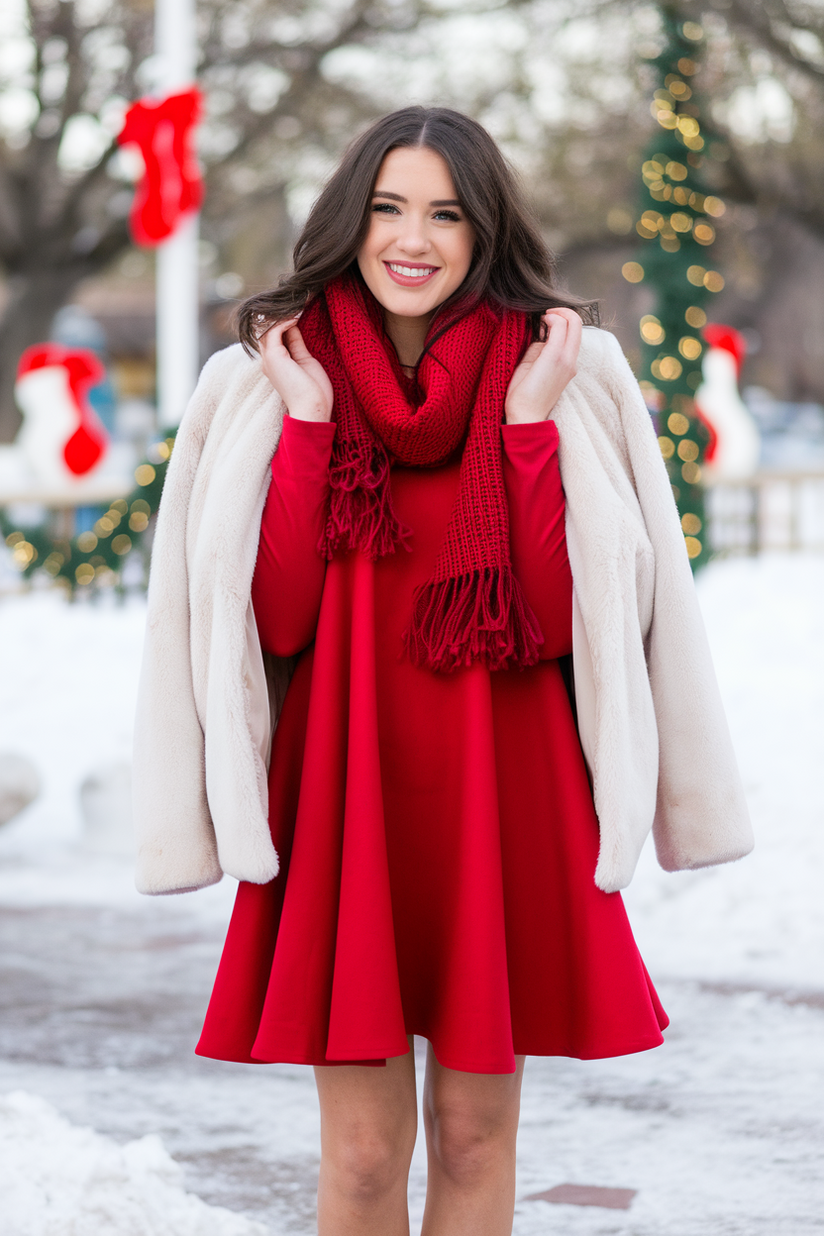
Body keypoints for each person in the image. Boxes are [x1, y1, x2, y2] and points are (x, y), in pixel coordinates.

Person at [132, 106, 753, 1236]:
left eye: (443, 213)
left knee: (473, 1139)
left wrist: (521, 431)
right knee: (365, 1160)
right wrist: (314, 429)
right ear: (348, 221)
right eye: (386, 208)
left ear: (482, 233)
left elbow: (575, 624)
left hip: (502, 791)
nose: (409, 238)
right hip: (342, 796)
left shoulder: (566, 370)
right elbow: (267, 622)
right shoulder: (268, 376)